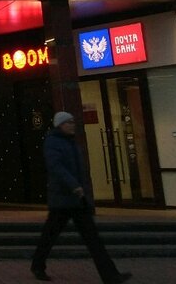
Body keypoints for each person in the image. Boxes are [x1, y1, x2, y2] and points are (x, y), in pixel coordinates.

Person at [30, 111, 132, 283]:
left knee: (92, 238)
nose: (72, 125)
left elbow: (78, 168)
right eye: (68, 122)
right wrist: (74, 185)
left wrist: (82, 189)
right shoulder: (53, 142)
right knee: (50, 235)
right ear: (60, 125)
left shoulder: (71, 142)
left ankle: (110, 275)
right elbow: (56, 166)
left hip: (76, 199)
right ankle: (37, 265)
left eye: (73, 122)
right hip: (62, 199)